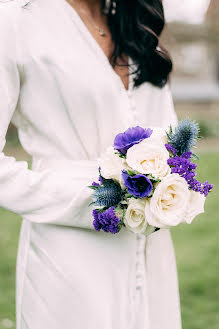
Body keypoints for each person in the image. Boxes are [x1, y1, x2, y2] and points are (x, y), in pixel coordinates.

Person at [0, 0, 182, 328]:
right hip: (68, 256)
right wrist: (94, 197)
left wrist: (171, 183)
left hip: (152, 248)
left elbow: (169, 133)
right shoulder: (16, 21)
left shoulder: (136, 22)